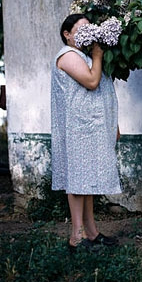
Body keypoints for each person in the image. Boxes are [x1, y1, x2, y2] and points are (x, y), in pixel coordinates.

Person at [51, 13, 121, 252]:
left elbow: (101, 93)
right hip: (77, 128)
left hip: (90, 126)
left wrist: (113, 124)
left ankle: (91, 233)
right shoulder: (68, 55)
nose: (86, 33)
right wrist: (98, 55)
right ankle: (76, 238)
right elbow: (92, 82)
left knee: (88, 182)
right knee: (78, 182)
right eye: (80, 30)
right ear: (67, 35)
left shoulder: (82, 55)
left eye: (89, 28)